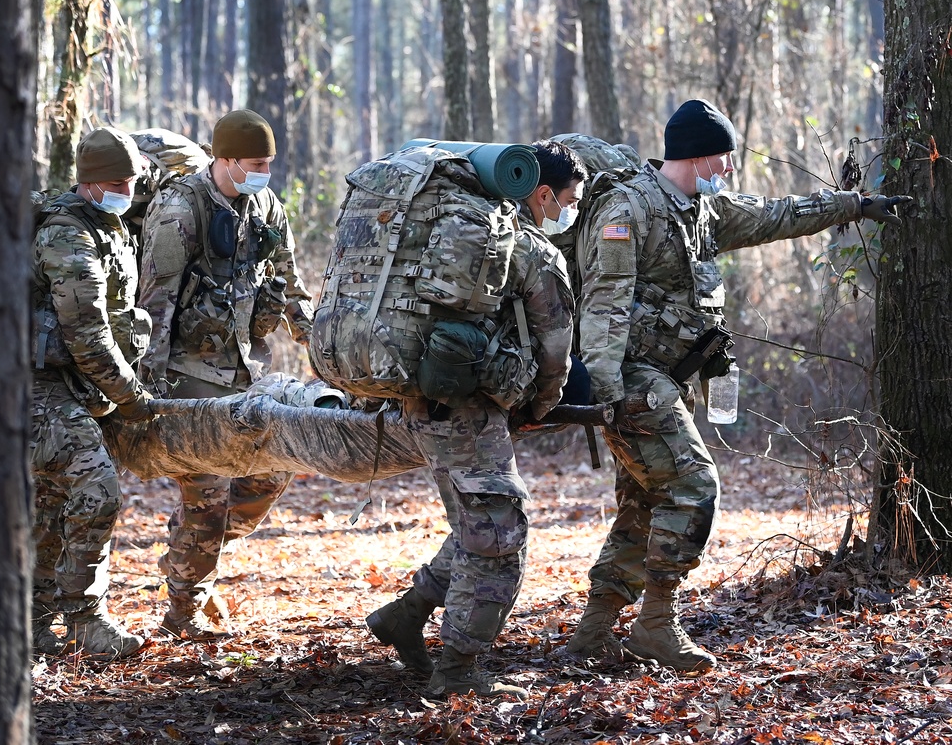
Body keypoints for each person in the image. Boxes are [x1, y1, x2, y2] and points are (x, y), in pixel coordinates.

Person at [564, 99, 913, 672]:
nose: (728, 169)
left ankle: (593, 633)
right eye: (723, 158)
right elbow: (604, 307)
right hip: (631, 383)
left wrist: (855, 204)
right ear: (699, 156)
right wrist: (603, 397)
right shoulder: (628, 210)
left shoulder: (703, 210)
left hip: (664, 383)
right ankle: (655, 624)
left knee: (644, 503)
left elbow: (776, 214)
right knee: (696, 486)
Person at [366, 140, 584, 699]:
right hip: (467, 410)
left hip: (416, 396)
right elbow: (555, 351)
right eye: (570, 199)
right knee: (500, 539)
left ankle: (404, 617)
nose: (571, 210)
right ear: (542, 194)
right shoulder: (530, 250)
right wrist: (536, 410)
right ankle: (458, 672)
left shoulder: (453, 230)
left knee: (476, 525)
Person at [137, 109, 313, 640]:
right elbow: (154, 302)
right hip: (187, 373)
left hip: (243, 367)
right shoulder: (178, 208)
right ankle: (182, 615)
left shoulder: (264, 204)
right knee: (209, 493)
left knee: (271, 471)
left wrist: (321, 347)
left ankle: (189, 550)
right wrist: (147, 390)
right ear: (226, 160)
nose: (264, 172)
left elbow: (290, 283)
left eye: (268, 163)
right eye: (256, 163)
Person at [30, 126, 155, 661]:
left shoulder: (110, 222)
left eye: (132, 179)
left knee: (55, 499)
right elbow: (87, 332)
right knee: (96, 488)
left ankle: (30, 618)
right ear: (91, 183)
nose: (129, 189)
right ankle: (84, 618)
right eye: (120, 181)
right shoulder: (66, 234)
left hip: (74, 385)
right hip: (37, 385)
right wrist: (131, 396)